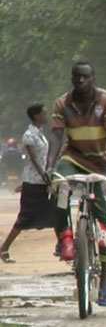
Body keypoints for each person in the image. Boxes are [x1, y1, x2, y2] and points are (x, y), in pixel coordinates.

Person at [47, 61, 106, 306]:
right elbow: (57, 136)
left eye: (85, 77)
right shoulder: (62, 104)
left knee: (103, 219)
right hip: (74, 158)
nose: (81, 81)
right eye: (77, 77)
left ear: (93, 78)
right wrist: (50, 167)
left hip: (103, 163)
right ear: (72, 78)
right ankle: (65, 236)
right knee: (60, 186)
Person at [0, 105, 58, 262]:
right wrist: (45, 176)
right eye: (43, 113)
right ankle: (4, 248)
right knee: (25, 218)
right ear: (36, 116)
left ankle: (63, 246)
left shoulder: (40, 133)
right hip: (34, 181)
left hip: (42, 180)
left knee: (56, 212)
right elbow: (34, 160)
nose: (46, 115)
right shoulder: (29, 135)